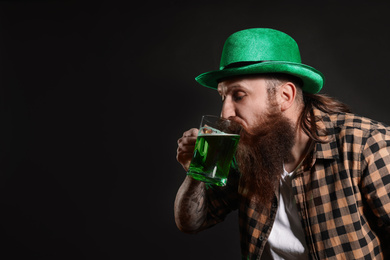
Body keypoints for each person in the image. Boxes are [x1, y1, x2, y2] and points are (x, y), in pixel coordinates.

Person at [174, 28, 390, 259]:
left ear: (284, 96)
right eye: (222, 97)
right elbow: (192, 223)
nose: (225, 113)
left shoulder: (367, 145)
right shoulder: (246, 150)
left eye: (238, 95)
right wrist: (197, 171)